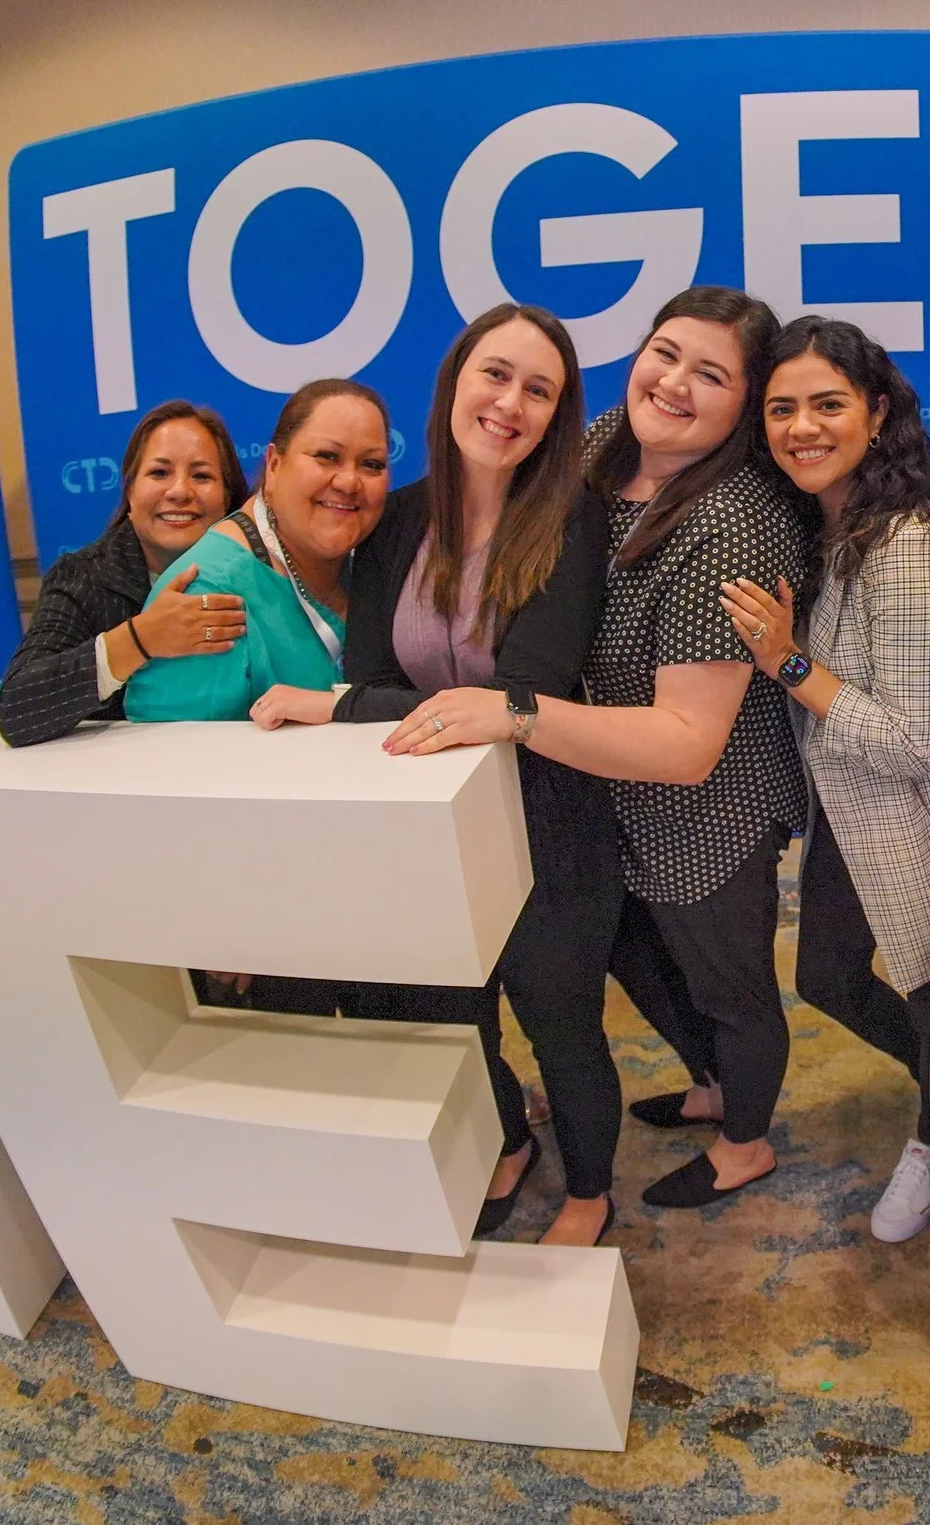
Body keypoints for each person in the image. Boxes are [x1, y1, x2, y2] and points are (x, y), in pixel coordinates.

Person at [382, 287, 807, 1215]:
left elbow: (690, 743)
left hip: (703, 810)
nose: (676, 383)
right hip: (592, 793)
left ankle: (746, 1141)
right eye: (665, 352)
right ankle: (709, 1086)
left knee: (728, 980)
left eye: (712, 374)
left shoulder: (733, 520)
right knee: (639, 964)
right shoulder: (604, 441)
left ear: (745, 404)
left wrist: (519, 711)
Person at [249, 306, 618, 1246]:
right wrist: (359, 701)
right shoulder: (401, 516)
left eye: (539, 390)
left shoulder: (573, 518)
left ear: (558, 414)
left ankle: (589, 1193)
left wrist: (333, 707)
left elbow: (513, 698)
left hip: (546, 825)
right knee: (447, 1016)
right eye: (495, 375)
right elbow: (376, 673)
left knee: (558, 1019)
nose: (510, 403)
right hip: (424, 823)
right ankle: (505, 1139)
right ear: (455, 380)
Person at [716, 315, 930, 1244]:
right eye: (782, 408)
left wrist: (789, 664)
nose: (802, 427)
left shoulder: (906, 542)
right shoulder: (829, 525)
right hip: (847, 820)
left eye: (827, 404)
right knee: (829, 979)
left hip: (914, 830)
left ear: (876, 413)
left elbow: (915, 743)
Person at [125, 378, 391, 724]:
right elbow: (173, 764)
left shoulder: (385, 561)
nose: (349, 482)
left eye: (371, 464)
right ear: (274, 464)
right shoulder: (207, 592)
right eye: (327, 457)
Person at [0, 401, 248, 747]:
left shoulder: (263, 573)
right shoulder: (84, 577)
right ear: (130, 492)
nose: (179, 491)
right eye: (159, 473)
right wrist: (141, 639)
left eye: (202, 476)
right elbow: (17, 712)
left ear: (229, 497)